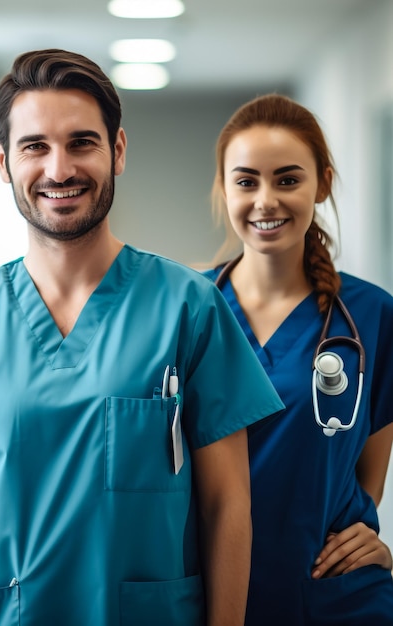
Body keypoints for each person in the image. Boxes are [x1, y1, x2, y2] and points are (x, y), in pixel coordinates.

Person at [0, 49, 284, 626]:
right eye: (34, 146)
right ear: (2, 161)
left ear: (117, 151)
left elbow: (228, 505)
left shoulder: (189, 308)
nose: (59, 169)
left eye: (81, 142)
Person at [205, 93, 393, 625]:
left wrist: (365, 540)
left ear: (323, 184)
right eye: (247, 181)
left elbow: (364, 477)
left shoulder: (373, 317)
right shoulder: (187, 310)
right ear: (225, 189)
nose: (266, 200)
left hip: (332, 600)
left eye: (287, 179)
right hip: (215, 594)